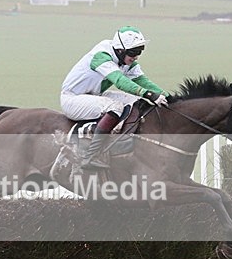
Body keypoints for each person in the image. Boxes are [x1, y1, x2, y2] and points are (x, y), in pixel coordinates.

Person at [61, 26, 170, 169]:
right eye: (133, 52)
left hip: (94, 96)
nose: (136, 56)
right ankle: (90, 156)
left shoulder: (125, 60)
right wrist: (149, 94)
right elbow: (120, 81)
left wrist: (168, 97)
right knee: (116, 107)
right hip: (72, 99)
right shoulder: (101, 56)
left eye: (139, 52)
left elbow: (143, 82)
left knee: (135, 101)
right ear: (120, 50)